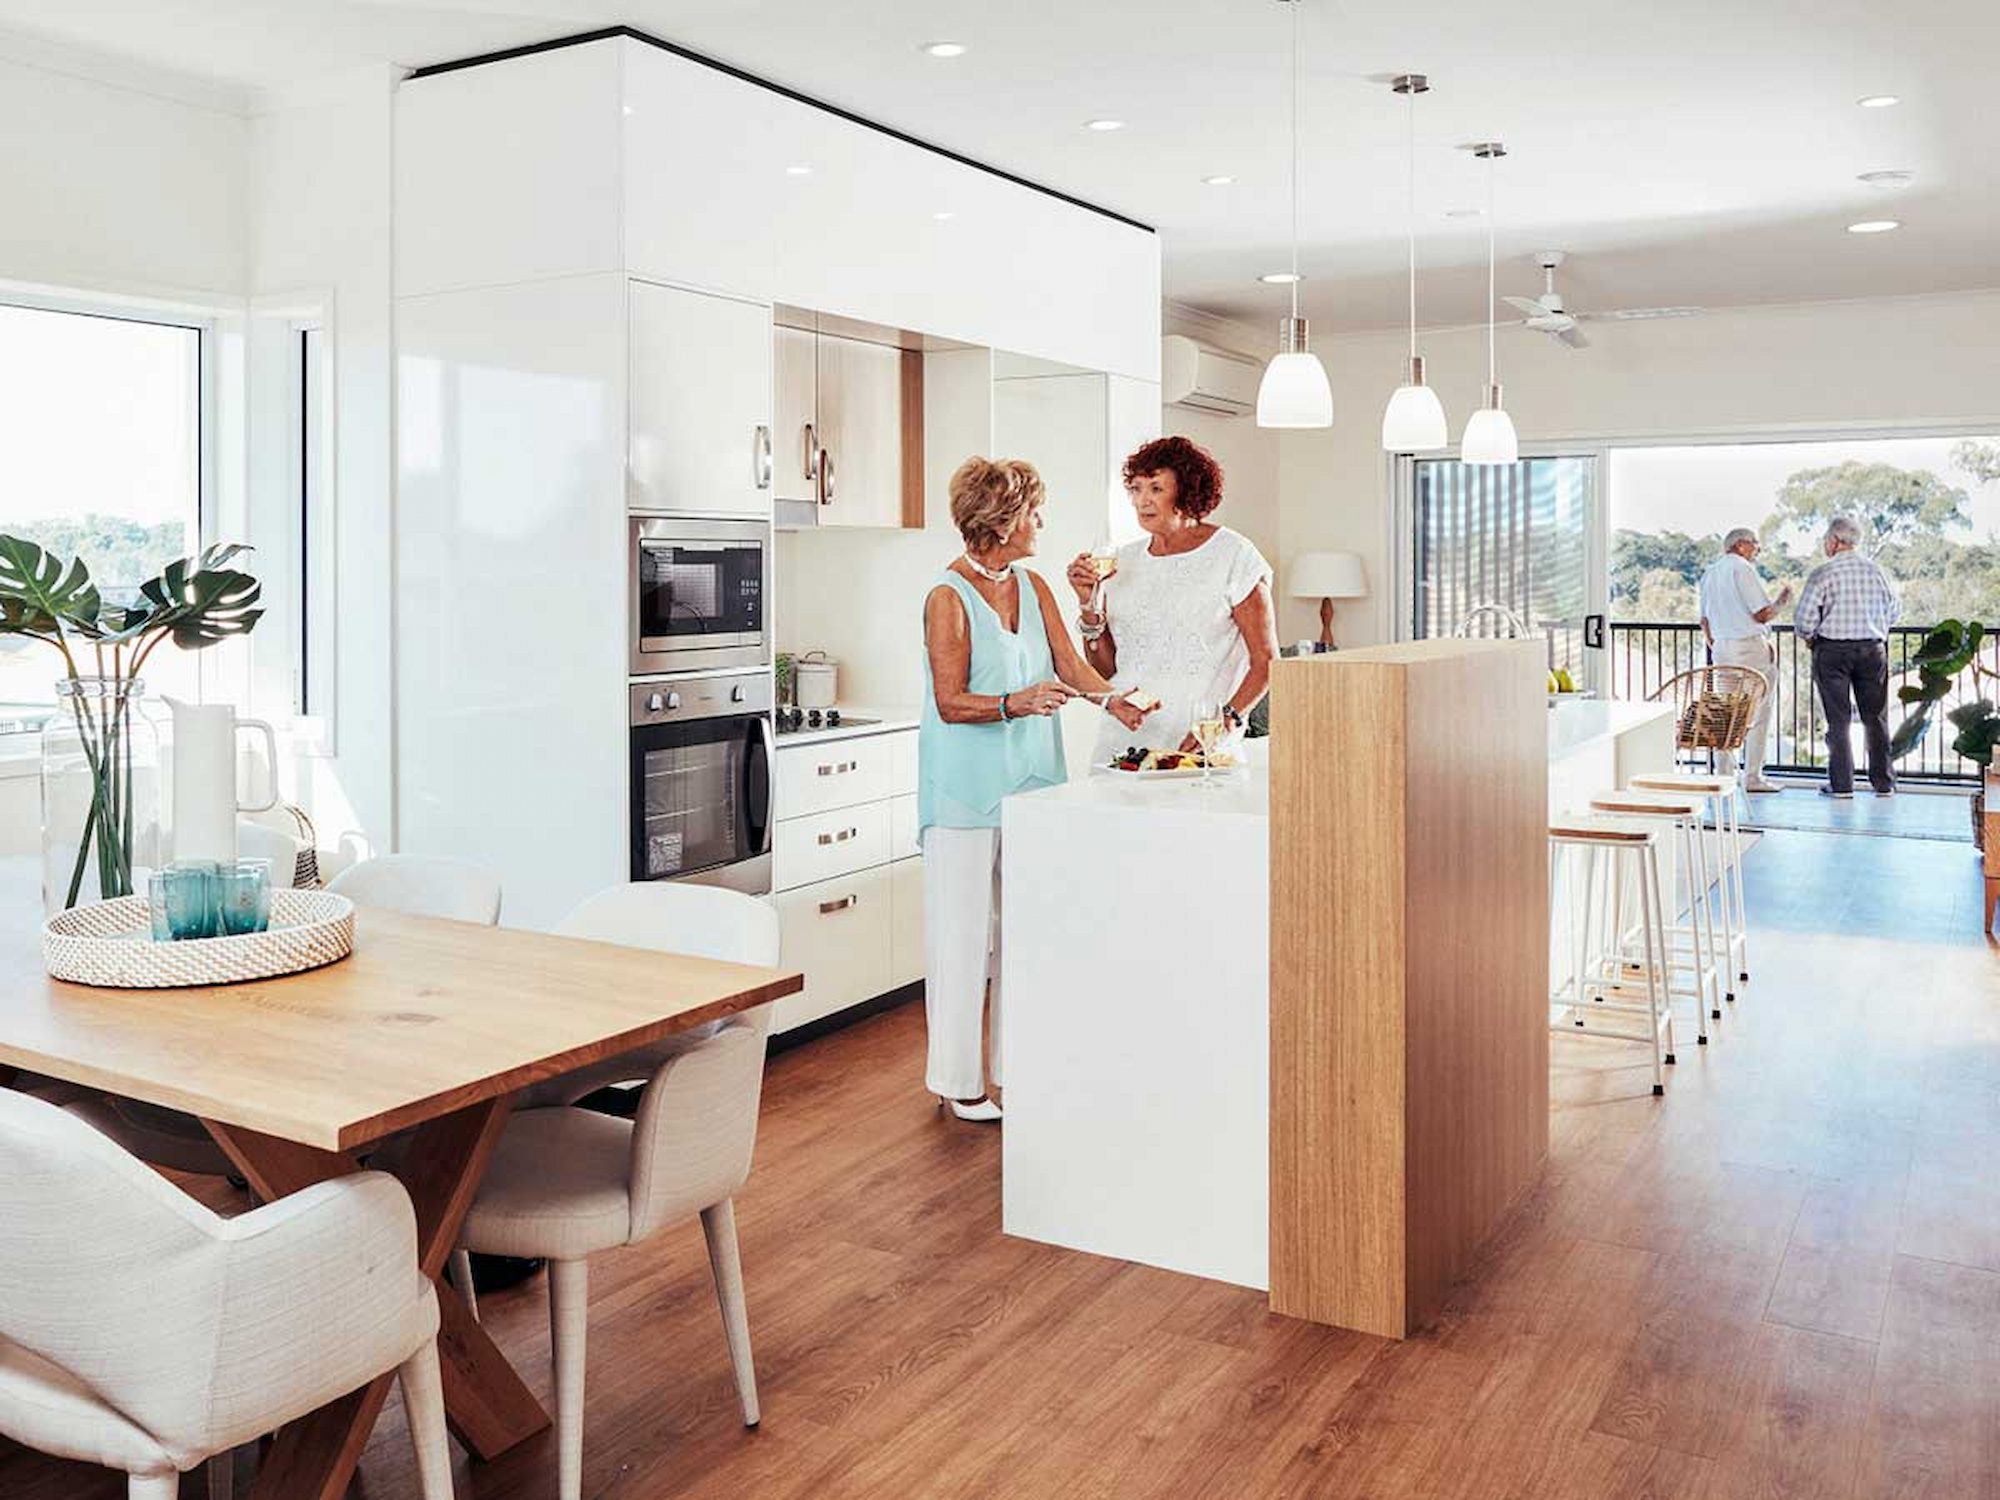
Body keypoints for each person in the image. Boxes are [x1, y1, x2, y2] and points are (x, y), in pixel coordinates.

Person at [919, 457, 1153, 1122]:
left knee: (1026, 933)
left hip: (1033, 784)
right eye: (1033, 513)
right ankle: (959, 1082)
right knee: (961, 941)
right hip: (964, 794)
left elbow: (1072, 665)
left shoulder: (1032, 583)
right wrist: (1013, 702)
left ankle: (1017, 1072)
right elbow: (949, 701)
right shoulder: (947, 597)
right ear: (999, 520)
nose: (1040, 524)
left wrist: (1117, 704)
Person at [1065, 436, 1278, 764]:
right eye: (1135, 489)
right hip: (1123, 747)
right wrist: (1088, 605)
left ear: (1187, 490)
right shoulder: (1122, 561)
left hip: (1199, 747)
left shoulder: (1234, 555)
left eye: (1155, 488)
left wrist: (1226, 721)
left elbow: (1265, 661)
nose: (1142, 501)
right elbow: (1107, 670)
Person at [1794, 515, 1901, 799]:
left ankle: (1842, 785)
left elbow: (1804, 619)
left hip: (1832, 651)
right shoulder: (1877, 571)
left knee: (1838, 720)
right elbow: (1894, 610)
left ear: (1835, 541)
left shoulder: (1823, 573)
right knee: (1875, 717)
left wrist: (1810, 637)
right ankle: (1883, 783)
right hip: (1872, 649)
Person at [1698, 527, 1792, 793]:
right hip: (1749, 650)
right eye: (1755, 544)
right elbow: (1762, 614)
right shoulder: (1742, 568)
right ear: (1740, 546)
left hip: (1721, 650)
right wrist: (1782, 601)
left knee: (1726, 714)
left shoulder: (1710, 572)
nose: (1758, 549)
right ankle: (1752, 777)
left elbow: (1704, 621)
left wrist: (1717, 645)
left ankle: (1724, 777)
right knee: (1759, 713)